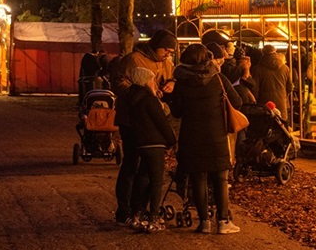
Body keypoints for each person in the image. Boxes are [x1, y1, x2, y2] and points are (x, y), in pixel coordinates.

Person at [168, 42, 240, 234]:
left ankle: (204, 222)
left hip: (191, 136)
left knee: (198, 178)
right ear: (206, 57)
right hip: (216, 135)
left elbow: (176, 112)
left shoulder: (182, 83)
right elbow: (237, 101)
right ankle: (223, 221)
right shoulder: (218, 78)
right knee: (220, 178)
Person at [117, 66, 176, 231]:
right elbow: (162, 122)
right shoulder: (149, 100)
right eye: (152, 79)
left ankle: (137, 212)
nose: (155, 83)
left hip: (141, 143)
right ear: (146, 80)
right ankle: (154, 216)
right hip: (155, 143)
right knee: (157, 180)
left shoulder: (132, 99)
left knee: (143, 177)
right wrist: (171, 141)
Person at [109, 28, 177, 90]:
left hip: (158, 102)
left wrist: (172, 82)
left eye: (171, 52)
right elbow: (118, 83)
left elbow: (173, 77)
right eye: (166, 50)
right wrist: (141, 93)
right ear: (156, 45)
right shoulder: (134, 59)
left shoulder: (167, 63)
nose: (168, 55)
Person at [251, 45, 292, 117]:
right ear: (275, 51)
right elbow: (290, 87)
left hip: (264, 105)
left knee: (266, 125)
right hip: (281, 102)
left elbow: (255, 89)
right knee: (281, 125)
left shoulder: (257, 69)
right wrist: (283, 95)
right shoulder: (285, 68)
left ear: (262, 53)